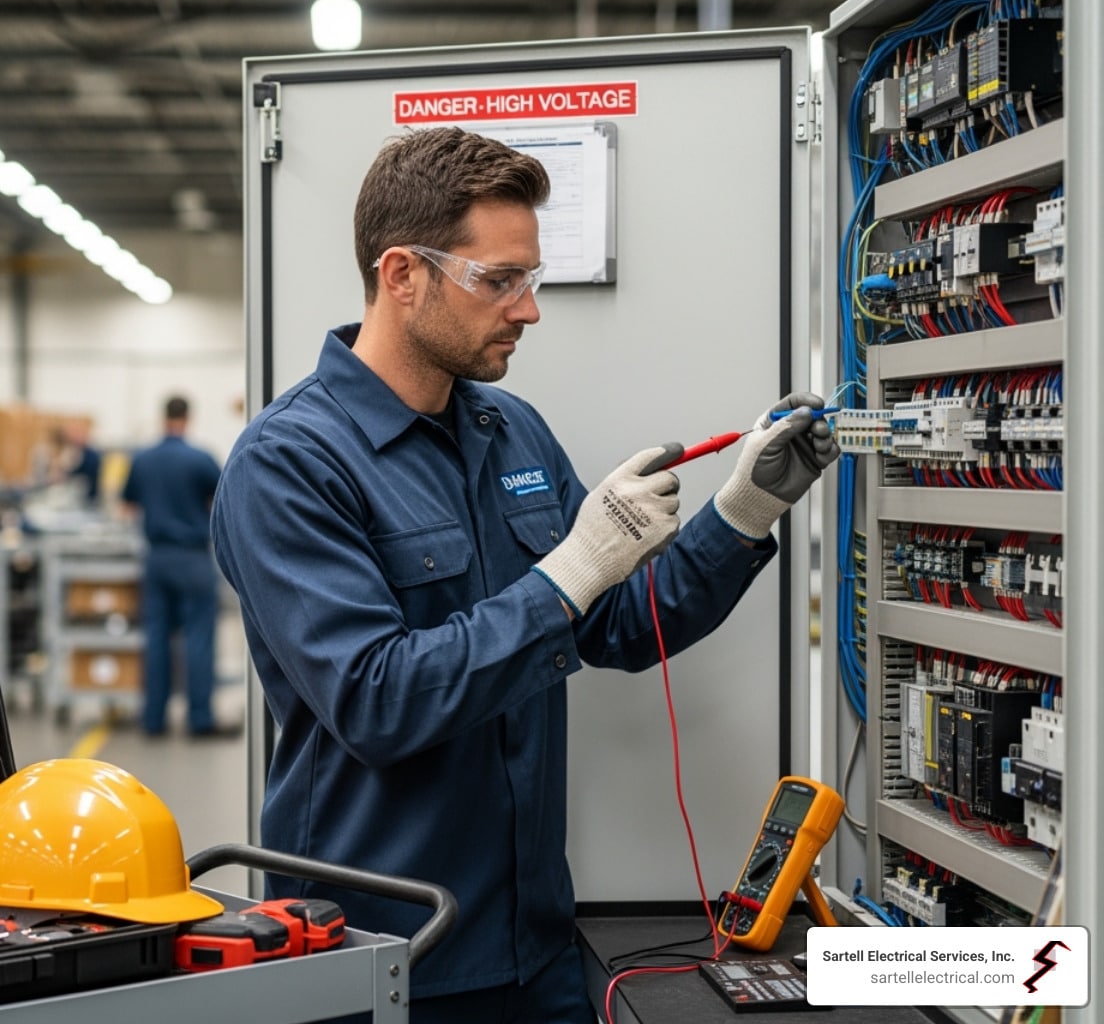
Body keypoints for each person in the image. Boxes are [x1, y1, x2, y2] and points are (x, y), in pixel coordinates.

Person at [209, 126, 839, 1022]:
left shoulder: (512, 431)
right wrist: (572, 568)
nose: (528, 308)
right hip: (382, 957)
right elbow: (377, 701)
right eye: (498, 281)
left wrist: (741, 514)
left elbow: (614, 625)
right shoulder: (289, 463)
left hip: (535, 944)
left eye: (530, 278)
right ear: (402, 276)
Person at [121, 396, 232, 738]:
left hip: (157, 558)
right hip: (193, 557)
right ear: (188, 418)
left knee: (156, 638)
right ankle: (199, 719)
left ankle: (153, 719)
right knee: (198, 637)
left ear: (163, 416)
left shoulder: (143, 459)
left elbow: (128, 503)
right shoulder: (200, 459)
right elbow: (225, 496)